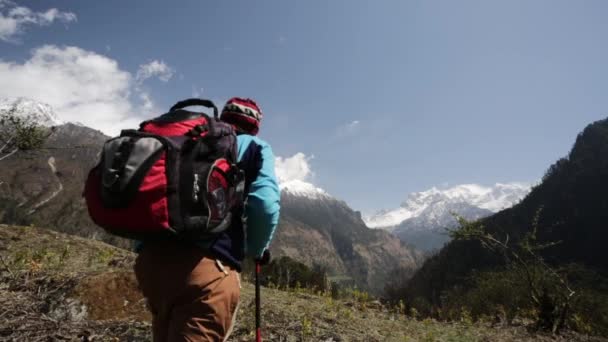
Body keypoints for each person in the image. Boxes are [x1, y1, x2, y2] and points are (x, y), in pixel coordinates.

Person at [134, 97, 281, 341]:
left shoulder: (184, 140)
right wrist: (256, 249)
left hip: (150, 261)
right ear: (255, 126)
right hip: (208, 269)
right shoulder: (253, 146)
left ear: (222, 118)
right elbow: (264, 205)